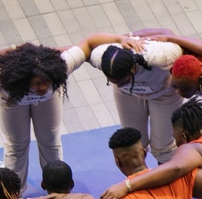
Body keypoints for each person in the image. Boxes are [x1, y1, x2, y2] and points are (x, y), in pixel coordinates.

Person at [0, 42, 79, 180]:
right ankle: (14, 192)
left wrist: (44, 52)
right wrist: (13, 50)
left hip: (47, 101)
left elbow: (86, 46)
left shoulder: (61, 68)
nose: (44, 87)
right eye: (38, 83)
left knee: (50, 141)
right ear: (24, 79)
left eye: (47, 82)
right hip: (12, 98)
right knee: (16, 145)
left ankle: (56, 187)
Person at [77, 32, 187, 163]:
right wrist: (119, 38)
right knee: (133, 143)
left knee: (163, 146)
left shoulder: (162, 57)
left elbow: (188, 51)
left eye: (122, 81)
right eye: (113, 81)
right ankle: (138, 178)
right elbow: (87, 44)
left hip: (165, 93)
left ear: (133, 70)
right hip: (128, 94)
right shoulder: (100, 57)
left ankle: (166, 179)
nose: (117, 84)